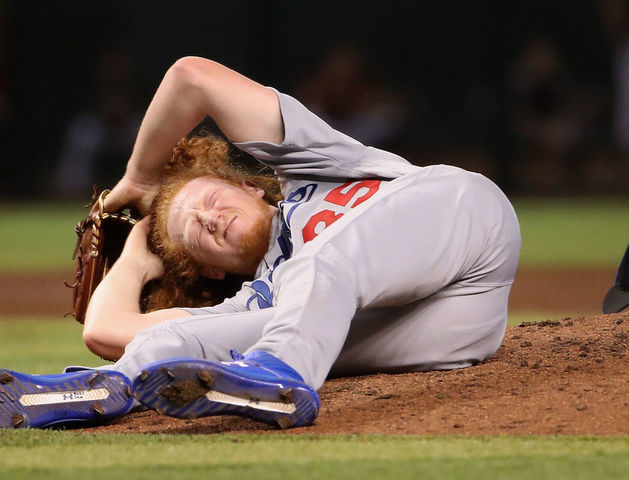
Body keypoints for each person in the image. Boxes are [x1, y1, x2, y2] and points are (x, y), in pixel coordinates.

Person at [0, 56, 520, 429]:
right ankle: (90, 390)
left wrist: (139, 178)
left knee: (321, 262)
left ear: (251, 186)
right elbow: (110, 330)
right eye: (193, 235)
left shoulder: (314, 170)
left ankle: (281, 376)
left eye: (208, 197)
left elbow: (191, 78)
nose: (206, 218)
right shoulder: (259, 296)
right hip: (447, 330)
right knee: (168, 345)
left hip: (466, 230)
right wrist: (138, 255)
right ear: (210, 271)